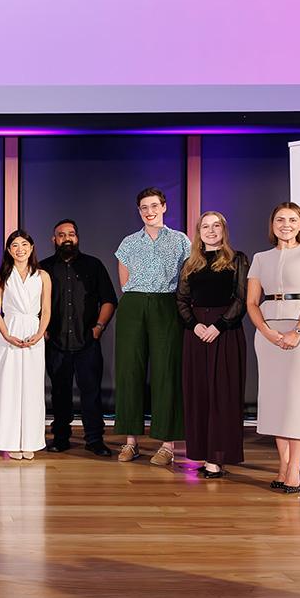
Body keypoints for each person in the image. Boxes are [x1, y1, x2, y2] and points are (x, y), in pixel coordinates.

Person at [247, 202, 300, 494]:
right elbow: (251, 303)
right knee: (274, 401)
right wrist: (267, 331)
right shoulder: (260, 258)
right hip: (268, 333)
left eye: (292, 220)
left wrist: (297, 331)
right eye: (280, 219)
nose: (286, 224)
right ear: (272, 224)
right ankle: (282, 464)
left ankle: (295, 467)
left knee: (296, 399)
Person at [114, 188, 191, 466]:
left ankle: (167, 444)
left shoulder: (181, 240)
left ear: (164, 207)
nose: (149, 211)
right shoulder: (129, 242)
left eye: (154, 206)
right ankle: (130, 442)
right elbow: (124, 280)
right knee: (129, 370)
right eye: (144, 207)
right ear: (139, 211)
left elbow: (187, 277)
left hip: (166, 304)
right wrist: (139, 297)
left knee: (166, 371)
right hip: (134, 304)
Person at [177, 212, 249, 478]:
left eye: (216, 225)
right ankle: (201, 453)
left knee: (223, 394)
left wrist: (219, 326)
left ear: (224, 230)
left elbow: (242, 299)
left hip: (225, 332)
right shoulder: (189, 263)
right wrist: (194, 325)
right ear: (198, 231)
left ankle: (217, 458)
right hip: (196, 332)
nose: (210, 230)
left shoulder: (237, 259)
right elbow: (181, 300)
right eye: (205, 226)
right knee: (199, 393)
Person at [40, 219, 116, 457]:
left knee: (91, 392)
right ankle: (61, 438)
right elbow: (33, 303)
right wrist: (44, 330)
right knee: (59, 393)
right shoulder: (43, 269)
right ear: (54, 240)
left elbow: (109, 300)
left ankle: (94, 440)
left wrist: (99, 327)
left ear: (77, 238)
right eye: (61, 235)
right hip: (56, 343)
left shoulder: (93, 265)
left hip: (87, 341)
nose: (67, 238)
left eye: (71, 234)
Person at [0, 230, 51, 460]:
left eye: (24, 244)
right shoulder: (1, 276)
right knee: (9, 386)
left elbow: (46, 310)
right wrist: (6, 334)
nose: (20, 249)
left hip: (34, 332)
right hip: (10, 332)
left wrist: (39, 333)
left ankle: (31, 441)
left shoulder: (43, 275)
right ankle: (9, 441)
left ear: (32, 247)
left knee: (33, 388)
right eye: (15, 245)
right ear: (9, 250)